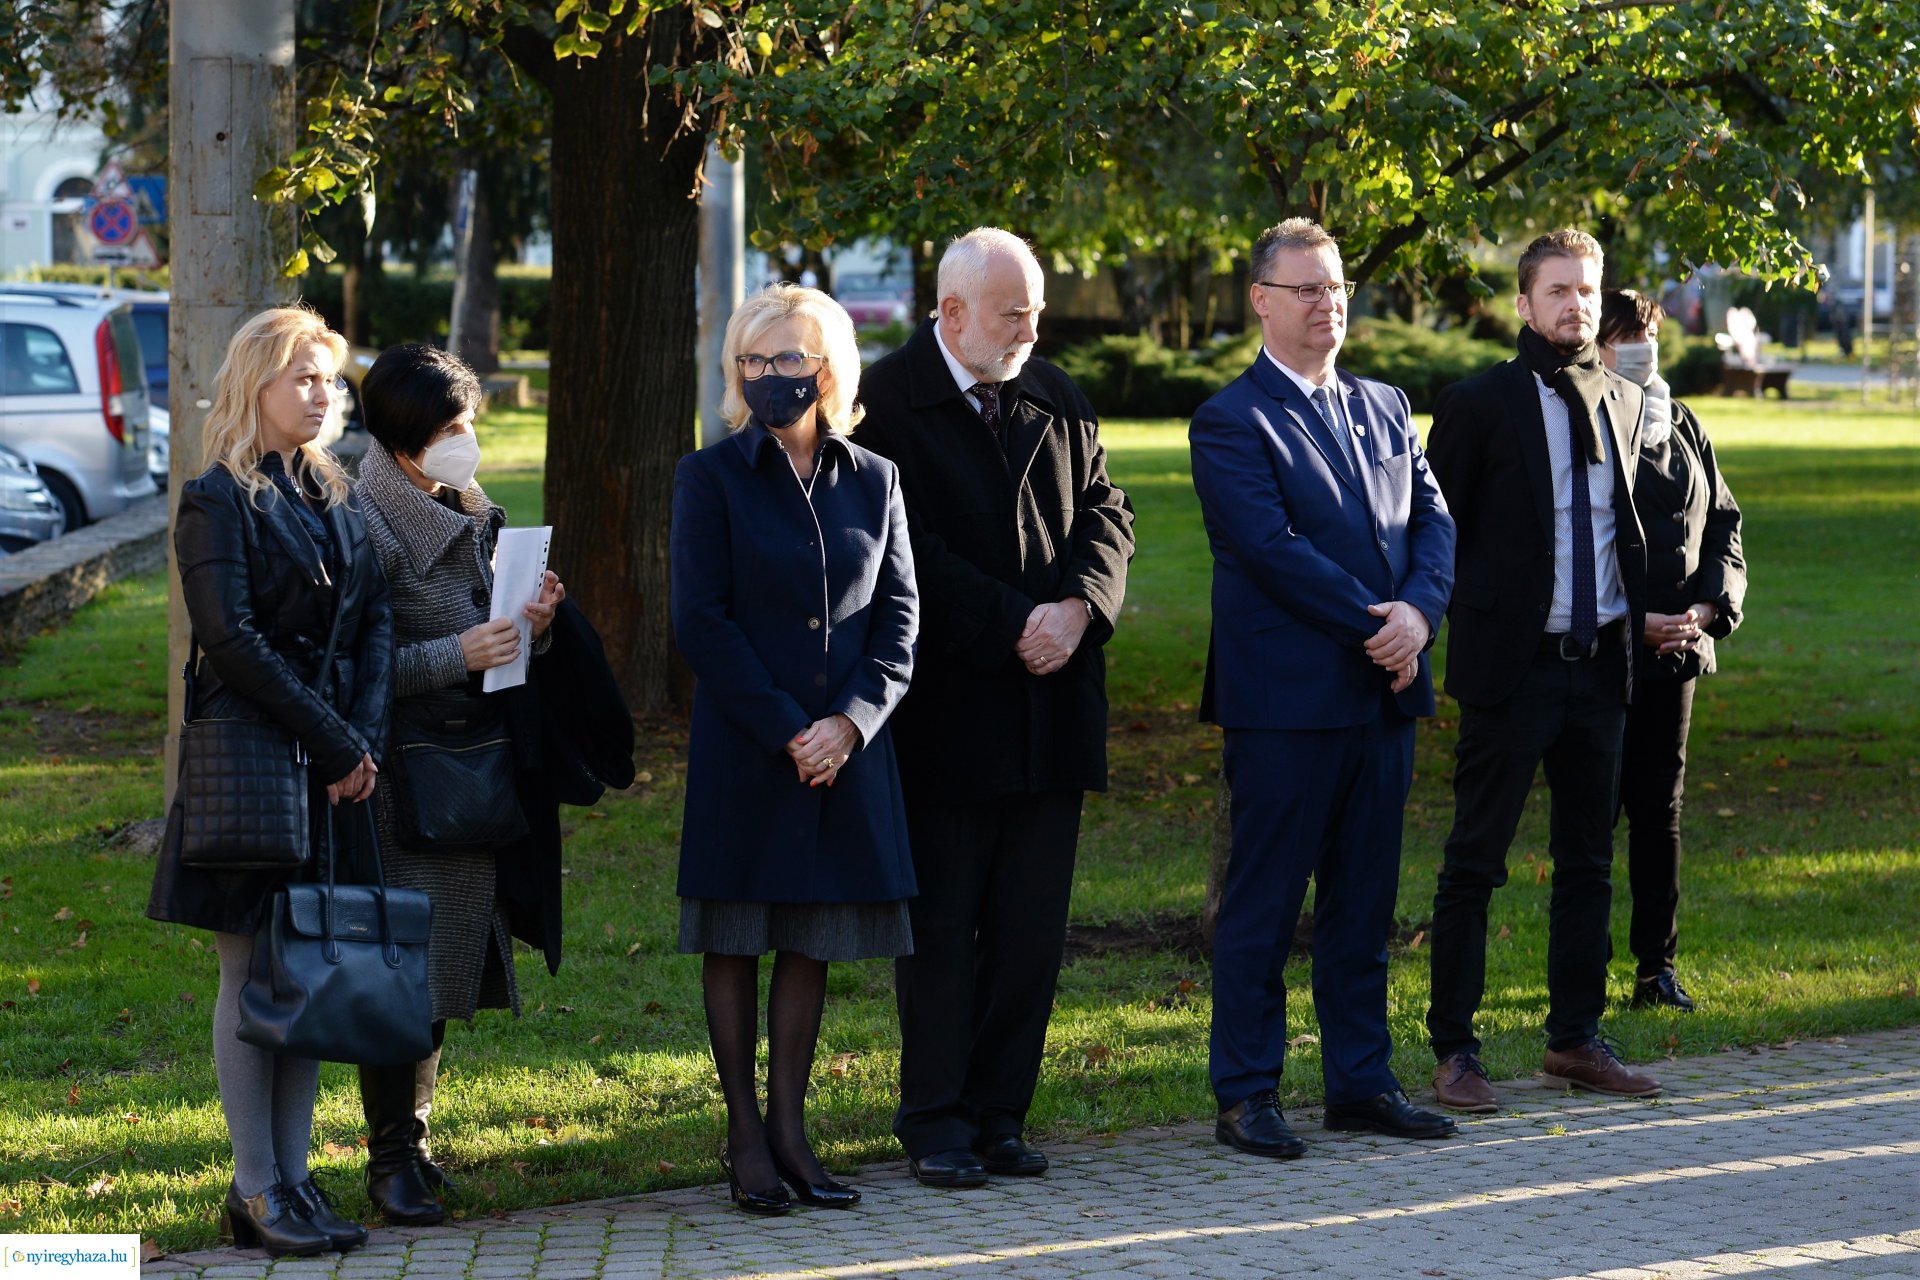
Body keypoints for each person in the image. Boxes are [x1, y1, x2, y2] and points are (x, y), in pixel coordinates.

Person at [857, 227, 1135, 1188]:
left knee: (1029, 932)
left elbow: (1109, 512)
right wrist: (1016, 621)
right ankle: (935, 1118)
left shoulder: (1056, 396)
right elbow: (906, 550)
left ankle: (999, 1116)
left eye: (1036, 308)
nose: (1031, 326)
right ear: (952, 313)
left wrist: (1080, 609)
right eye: (1014, 311)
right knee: (941, 932)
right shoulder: (884, 405)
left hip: (1052, 713)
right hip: (945, 712)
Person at [1189, 218, 1458, 1157]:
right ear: (1261, 301)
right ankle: (1247, 1093)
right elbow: (1271, 551)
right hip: (1287, 706)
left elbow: (1434, 522)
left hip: (1384, 699)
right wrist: (1379, 626)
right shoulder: (1231, 420)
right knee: (1264, 907)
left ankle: (1360, 1081)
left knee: (1363, 905)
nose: (1327, 305)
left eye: (1336, 288)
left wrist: (1419, 616)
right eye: (1306, 289)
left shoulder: (1385, 404)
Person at [146, 305, 392, 1257]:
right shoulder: (216, 497)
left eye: (329, 377)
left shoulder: (338, 492)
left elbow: (372, 625)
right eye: (301, 376)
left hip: (334, 769)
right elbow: (230, 641)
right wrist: (334, 743)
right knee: (252, 975)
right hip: (254, 766)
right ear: (254, 386)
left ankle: (296, 1183)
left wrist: (360, 744)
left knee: (311, 973)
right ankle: (257, 1188)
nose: (322, 393)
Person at [671, 284, 919, 1216]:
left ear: (829, 369)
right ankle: (744, 1137)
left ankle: (791, 1130)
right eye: (754, 361)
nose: (771, 377)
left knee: (810, 938)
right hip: (750, 746)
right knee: (738, 934)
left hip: (844, 749)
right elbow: (701, 620)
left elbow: (900, 621)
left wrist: (850, 724)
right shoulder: (711, 476)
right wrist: (787, 728)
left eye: (788, 359)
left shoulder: (877, 478)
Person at [1424, 229, 1659, 1112]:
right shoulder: (1479, 402)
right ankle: (1455, 1051)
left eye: (1587, 292)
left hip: (1600, 667)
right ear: (1522, 304)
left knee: (1590, 862)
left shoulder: (1623, 400)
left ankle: (1575, 1040)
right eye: (1557, 291)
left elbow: (1626, 530)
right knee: (1475, 863)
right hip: (1511, 670)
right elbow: (1437, 533)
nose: (1575, 306)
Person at [351, 343, 566, 1226]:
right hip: (406, 782)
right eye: (451, 428)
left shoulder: (468, 505)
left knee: (443, 973)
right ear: (403, 438)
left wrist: (533, 625)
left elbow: (499, 645)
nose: (467, 442)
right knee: (402, 975)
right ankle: (389, 1159)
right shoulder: (365, 519)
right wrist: (458, 653)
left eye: (468, 422)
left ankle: (417, 1141)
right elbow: (355, 668)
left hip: (473, 770)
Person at [1598, 289, 1745, 1012]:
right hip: (1599, 651)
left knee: (1661, 811)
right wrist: (1633, 619)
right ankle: (1579, 977)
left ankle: (1656, 969)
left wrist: (1710, 605)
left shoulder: (1681, 420)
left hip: (1677, 652)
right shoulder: (1580, 421)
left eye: (1649, 331)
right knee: (1592, 814)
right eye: (1625, 333)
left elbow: (1723, 522)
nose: (1641, 345)